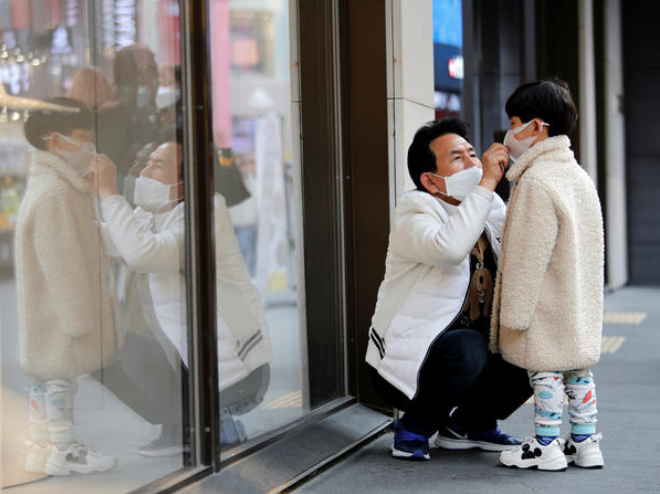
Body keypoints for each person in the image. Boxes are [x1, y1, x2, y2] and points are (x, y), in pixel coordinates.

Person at [89, 140, 272, 454]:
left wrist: (109, 194)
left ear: (187, 181)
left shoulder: (206, 212)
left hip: (235, 375)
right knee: (106, 353)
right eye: (144, 162)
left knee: (131, 348)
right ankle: (180, 424)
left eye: (157, 164)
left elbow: (143, 253)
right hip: (194, 365)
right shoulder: (150, 215)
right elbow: (113, 239)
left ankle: (209, 421)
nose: (143, 172)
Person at [366, 117, 532, 461]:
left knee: (535, 345)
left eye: (474, 154)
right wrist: (486, 182)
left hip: (470, 353)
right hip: (409, 362)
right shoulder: (415, 209)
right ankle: (414, 427)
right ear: (430, 180)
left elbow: (523, 250)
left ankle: (470, 425)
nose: (474, 163)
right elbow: (449, 248)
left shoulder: (487, 207)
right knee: (469, 347)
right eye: (458, 158)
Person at [494, 80, 605, 471]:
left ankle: (545, 444)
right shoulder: (578, 177)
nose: (510, 131)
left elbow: (526, 257)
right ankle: (586, 441)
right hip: (576, 299)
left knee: (544, 370)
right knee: (577, 370)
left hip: (544, 302)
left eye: (514, 122)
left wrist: (513, 318)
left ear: (536, 128)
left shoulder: (536, 181)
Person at [17, 97, 120, 475]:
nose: (89, 145)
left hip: (46, 313)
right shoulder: (57, 194)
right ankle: (64, 450)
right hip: (61, 316)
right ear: (55, 141)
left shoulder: (53, 186)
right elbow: (63, 266)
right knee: (61, 384)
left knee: (45, 383)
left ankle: (42, 448)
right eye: (81, 137)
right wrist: (81, 323)